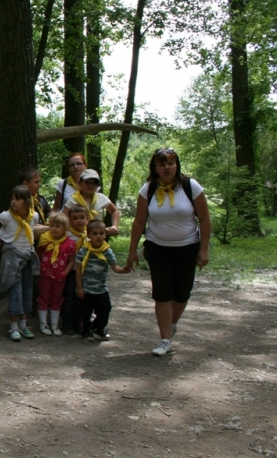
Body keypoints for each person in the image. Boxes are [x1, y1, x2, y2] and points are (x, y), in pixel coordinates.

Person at [126, 147, 211, 356]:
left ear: (177, 165)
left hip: (187, 248)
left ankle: (171, 323)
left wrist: (203, 249)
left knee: (182, 294)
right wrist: (132, 250)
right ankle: (165, 340)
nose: (167, 167)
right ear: (155, 168)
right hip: (158, 248)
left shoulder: (191, 187)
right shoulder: (148, 189)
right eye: (162, 164)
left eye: (171, 163)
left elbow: (205, 219)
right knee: (162, 293)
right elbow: (139, 221)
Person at [0, 185, 39, 342]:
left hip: (27, 257)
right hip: (12, 258)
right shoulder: (6, 216)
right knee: (15, 290)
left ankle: (23, 325)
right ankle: (13, 327)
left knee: (27, 290)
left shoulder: (34, 217)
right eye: (12, 199)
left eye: (18, 199)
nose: (14, 202)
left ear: (27, 201)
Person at [75, 219, 128, 341]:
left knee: (105, 309)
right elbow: (78, 270)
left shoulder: (107, 251)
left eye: (101, 233)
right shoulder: (84, 251)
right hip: (87, 289)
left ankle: (99, 329)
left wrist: (123, 270)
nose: (98, 236)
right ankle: (86, 330)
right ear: (88, 235)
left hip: (101, 288)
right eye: (95, 234)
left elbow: (114, 266)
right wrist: (79, 287)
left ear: (105, 234)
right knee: (85, 312)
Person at [35, 212, 77, 336]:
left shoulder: (70, 244)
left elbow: (71, 261)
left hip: (60, 277)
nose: (54, 228)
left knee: (56, 299)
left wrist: (65, 273)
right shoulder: (45, 239)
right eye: (52, 225)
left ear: (65, 228)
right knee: (43, 298)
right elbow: (37, 253)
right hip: (45, 275)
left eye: (58, 226)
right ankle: (43, 324)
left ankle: (54, 325)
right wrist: (39, 268)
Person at [63, 169, 120, 236]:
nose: (90, 185)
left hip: (96, 237)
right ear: (80, 183)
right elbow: (63, 217)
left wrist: (114, 226)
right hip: (76, 236)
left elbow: (114, 210)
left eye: (94, 183)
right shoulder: (73, 199)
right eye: (87, 182)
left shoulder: (101, 198)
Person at [61, 205, 89, 335]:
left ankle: (81, 323)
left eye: (82, 218)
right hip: (71, 270)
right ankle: (67, 323)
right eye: (75, 218)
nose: (79, 221)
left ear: (87, 219)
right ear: (70, 220)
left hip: (86, 271)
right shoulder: (67, 233)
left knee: (84, 298)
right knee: (69, 296)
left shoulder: (90, 234)